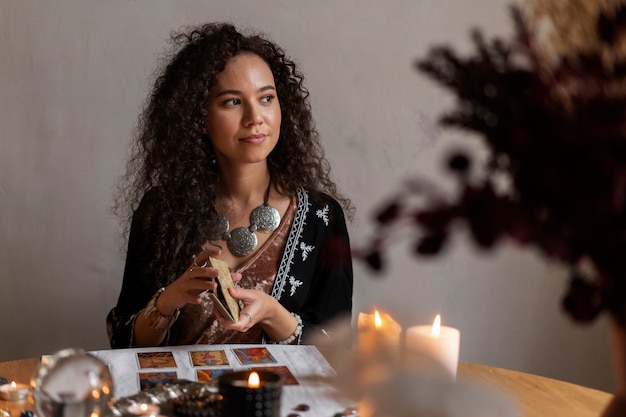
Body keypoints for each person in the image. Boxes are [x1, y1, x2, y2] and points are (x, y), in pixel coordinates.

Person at [106, 22, 354, 348]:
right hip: (180, 397)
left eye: (266, 98)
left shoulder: (322, 217)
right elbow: (124, 341)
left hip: (282, 399)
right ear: (198, 117)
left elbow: (337, 351)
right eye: (232, 102)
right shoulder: (162, 212)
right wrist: (167, 302)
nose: (255, 117)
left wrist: (274, 315)